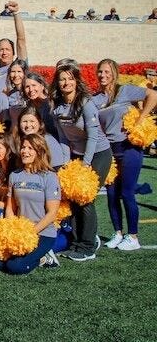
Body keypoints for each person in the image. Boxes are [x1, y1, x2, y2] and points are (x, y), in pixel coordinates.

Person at [92, 59, 157, 251]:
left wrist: (140, 119)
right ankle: (118, 233)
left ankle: (133, 236)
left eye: (106, 71)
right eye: (100, 72)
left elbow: (153, 95)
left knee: (127, 192)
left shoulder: (125, 90)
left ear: (114, 73)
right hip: (109, 150)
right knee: (112, 194)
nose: (103, 75)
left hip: (129, 147)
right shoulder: (95, 99)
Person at [51, 60, 111, 261]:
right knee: (74, 200)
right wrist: (68, 162)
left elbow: (93, 136)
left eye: (70, 79)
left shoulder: (85, 101)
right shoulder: (57, 106)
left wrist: (85, 165)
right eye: (62, 79)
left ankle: (88, 245)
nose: (66, 83)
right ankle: (76, 243)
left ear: (76, 80)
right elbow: (63, 138)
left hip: (97, 154)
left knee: (85, 199)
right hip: (75, 156)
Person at [0, 134, 61, 274]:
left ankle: (45, 256)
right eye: (23, 147)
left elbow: (52, 214)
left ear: (40, 151)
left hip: (42, 232)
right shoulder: (15, 175)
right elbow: (10, 208)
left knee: (16, 267)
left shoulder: (49, 177)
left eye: (30, 148)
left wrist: (30, 232)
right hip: (20, 231)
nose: (25, 151)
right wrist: (13, 230)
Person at [15, 105, 69, 169]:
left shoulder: (48, 140)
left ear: (40, 123)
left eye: (32, 121)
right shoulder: (20, 140)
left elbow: (58, 166)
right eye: (24, 121)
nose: (28, 125)